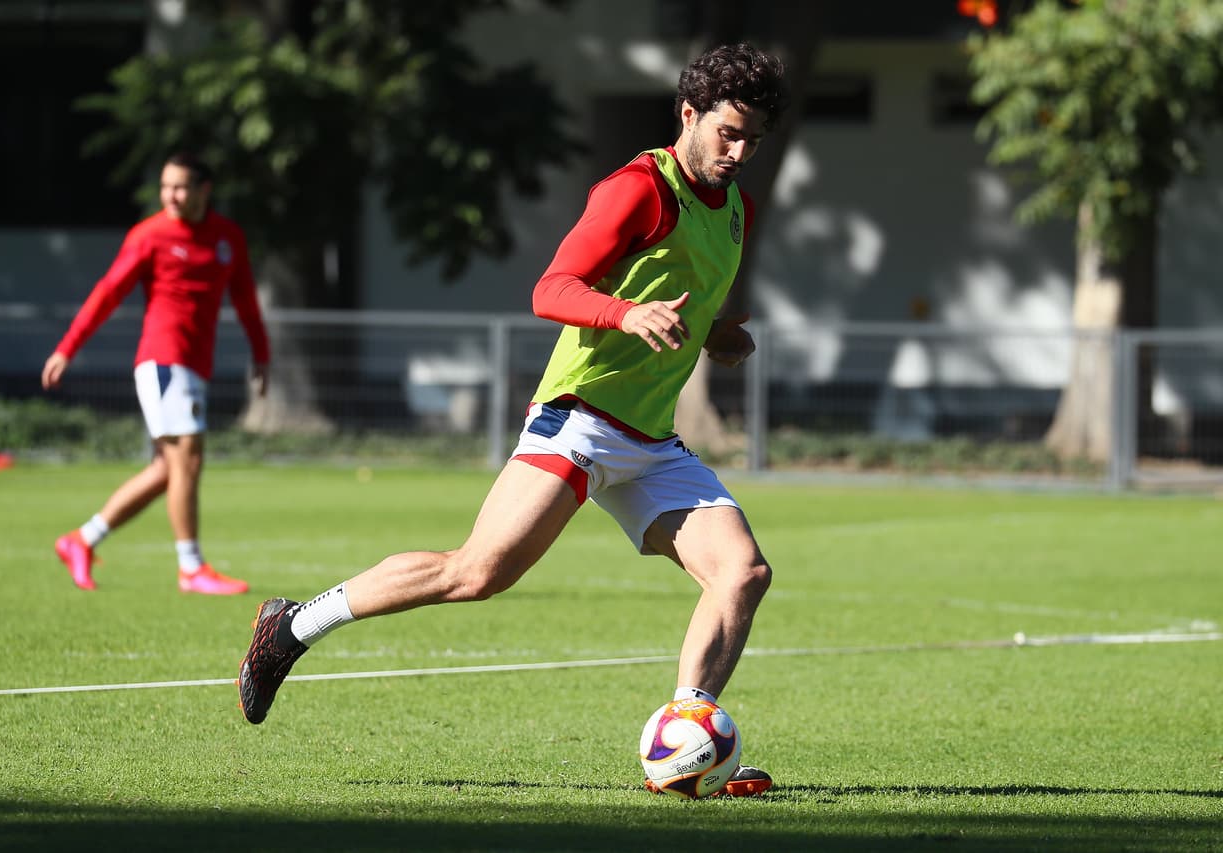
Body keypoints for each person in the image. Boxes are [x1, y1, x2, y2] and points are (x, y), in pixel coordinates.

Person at [238, 43, 787, 795]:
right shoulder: (638, 190)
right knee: (476, 573)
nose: (739, 150)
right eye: (728, 132)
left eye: (754, 138)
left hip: (652, 441)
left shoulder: (738, 209)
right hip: (581, 418)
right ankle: (293, 625)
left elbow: (686, 292)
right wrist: (626, 316)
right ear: (687, 114)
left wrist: (716, 334)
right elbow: (552, 287)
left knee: (742, 572)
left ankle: (688, 735)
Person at [42, 151, 271, 596]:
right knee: (189, 459)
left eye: (181, 187)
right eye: (165, 186)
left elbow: (244, 298)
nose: (170, 195)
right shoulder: (150, 234)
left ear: (205, 190)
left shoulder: (227, 237)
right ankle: (191, 568)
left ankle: (81, 540)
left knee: (170, 470)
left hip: (193, 366)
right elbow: (108, 291)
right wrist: (67, 348)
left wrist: (262, 353)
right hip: (165, 359)